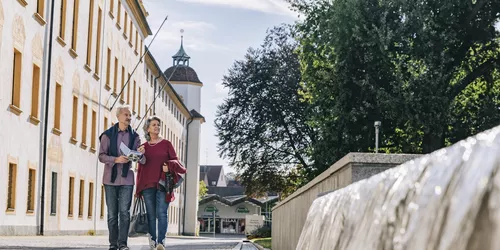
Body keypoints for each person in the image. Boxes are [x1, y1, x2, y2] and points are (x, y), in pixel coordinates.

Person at [98, 105, 146, 250]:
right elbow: (101, 156)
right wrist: (115, 159)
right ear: (118, 116)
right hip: (110, 179)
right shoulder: (107, 135)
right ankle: (113, 244)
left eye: (130, 115)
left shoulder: (135, 137)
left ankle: (123, 244)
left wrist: (140, 153)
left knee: (124, 213)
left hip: (127, 179)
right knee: (112, 214)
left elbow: (142, 160)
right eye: (126, 114)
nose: (129, 117)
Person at [136, 116, 186, 250]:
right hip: (147, 185)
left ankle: (161, 243)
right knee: (151, 215)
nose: (157, 127)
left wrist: (168, 166)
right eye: (154, 125)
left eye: (158, 125)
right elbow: (140, 167)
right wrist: (139, 155)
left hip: (163, 184)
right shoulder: (143, 147)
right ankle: (152, 242)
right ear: (148, 129)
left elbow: (176, 161)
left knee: (162, 213)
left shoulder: (166, 144)